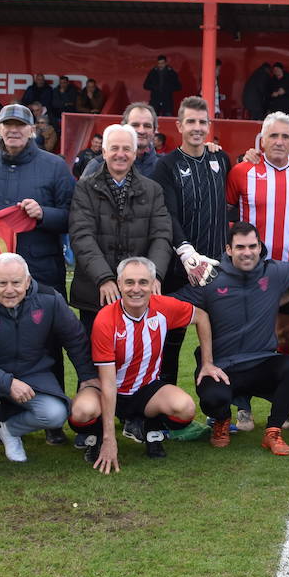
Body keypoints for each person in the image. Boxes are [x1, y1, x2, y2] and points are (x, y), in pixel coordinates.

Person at [175, 222, 289, 456]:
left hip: (262, 362)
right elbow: (172, 304)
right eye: (240, 247)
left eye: (253, 246)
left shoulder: (273, 272)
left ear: (259, 246)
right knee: (212, 397)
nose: (247, 252)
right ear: (229, 249)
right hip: (223, 367)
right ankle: (221, 420)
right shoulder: (210, 279)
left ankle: (273, 430)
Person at [0, 253, 101, 477]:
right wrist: (7, 382)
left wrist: (88, 376)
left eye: (16, 283)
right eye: (2, 283)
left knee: (56, 414)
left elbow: (75, 338)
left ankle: (9, 430)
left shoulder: (50, 299)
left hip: (33, 373)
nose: (9, 290)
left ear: (28, 281)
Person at [81, 258, 204, 470]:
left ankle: (149, 424)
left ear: (152, 284)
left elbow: (202, 317)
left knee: (185, 408)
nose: (136, 289)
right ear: (119, 284)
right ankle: (98, 434)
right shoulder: (105, 319)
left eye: (143, 282)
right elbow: (109, 383)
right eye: (129, 282)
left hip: (145, 390)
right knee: (82, 411)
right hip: (108, 390)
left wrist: (208, 362)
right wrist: (111, 439)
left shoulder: (164, 308)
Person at [151, 96, 232, 387]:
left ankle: (217, 410)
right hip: (180, 269)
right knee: (170, 340)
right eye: (191, 122)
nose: (197, 128)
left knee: (220, 340)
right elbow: (168, 215)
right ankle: (164, 404)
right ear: (179, 125)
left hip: (217, 271)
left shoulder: (220, 159)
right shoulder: (166, 165)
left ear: (209, 125)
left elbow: (232, 203)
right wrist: (187, 254)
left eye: (202, 122)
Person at [69, 123, 174, 336]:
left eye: (126, 149)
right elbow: (82, 236)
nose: (120, 154)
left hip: (139, 295)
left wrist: (153, 276)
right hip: (96, 294)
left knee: (139, 364)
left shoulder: (153, 190)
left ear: (135, 153)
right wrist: (104, 279)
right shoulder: (85, 188)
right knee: (97, 364)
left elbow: (162, 236)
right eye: (114, 148)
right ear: (104, 151)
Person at [227, 112, 289, 354]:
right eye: (273, 135)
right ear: (262, 141)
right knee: (246, 335)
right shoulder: (241, 172)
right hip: (249, 270)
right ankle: (242, 387)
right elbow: (224, 213)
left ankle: (284, 389)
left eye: (285, 136)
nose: (279, 141)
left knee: (285, 336)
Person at [0, 103, 76, 299]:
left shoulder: (55, 166)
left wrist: (43, 214)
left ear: (32, 130)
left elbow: (73, 217)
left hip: (42, 271)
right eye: (7, 125)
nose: (13, 130)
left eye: (20, 125)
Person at [80, 102, 161, 179]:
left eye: (147, 126)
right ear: (124, 128)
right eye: (135, 125)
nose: (141, 131)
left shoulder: (164, 166)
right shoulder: (98, 165)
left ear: (154, 131)